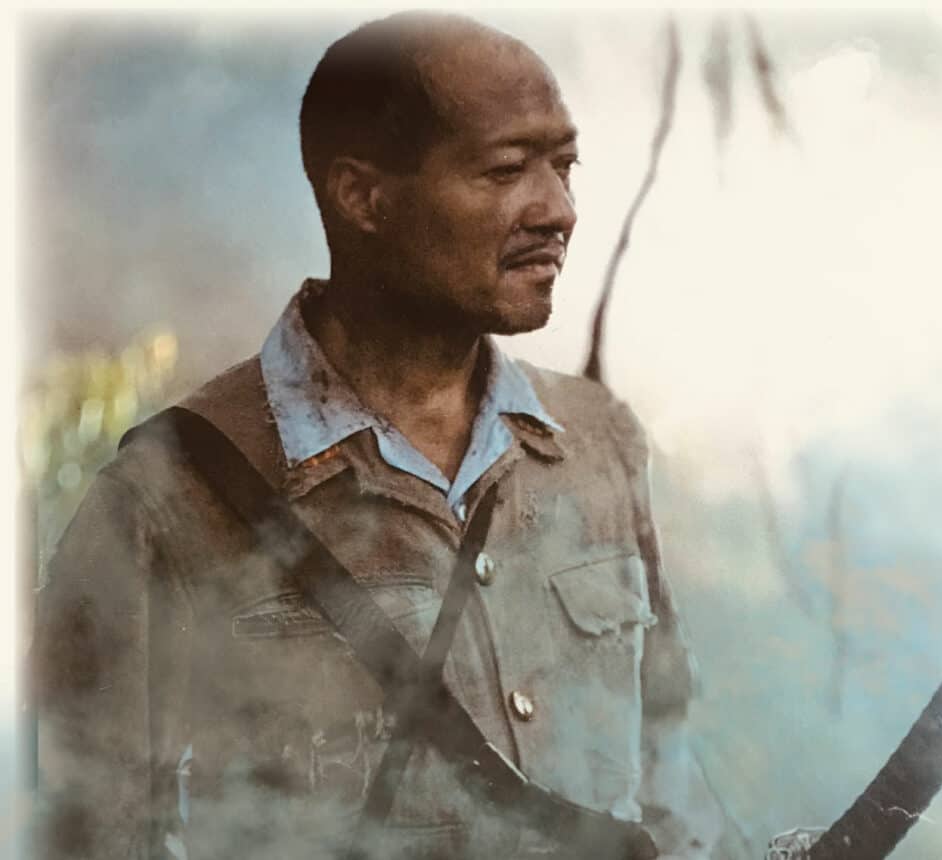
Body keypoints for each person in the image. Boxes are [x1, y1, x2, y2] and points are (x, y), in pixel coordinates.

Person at [33, 12, 740, 860]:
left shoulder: (599, 445)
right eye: (507, 170)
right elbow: (87, 838)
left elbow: (672, 786)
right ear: (363, 197)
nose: (559, 211)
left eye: (565, 166)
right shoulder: (159, 502)